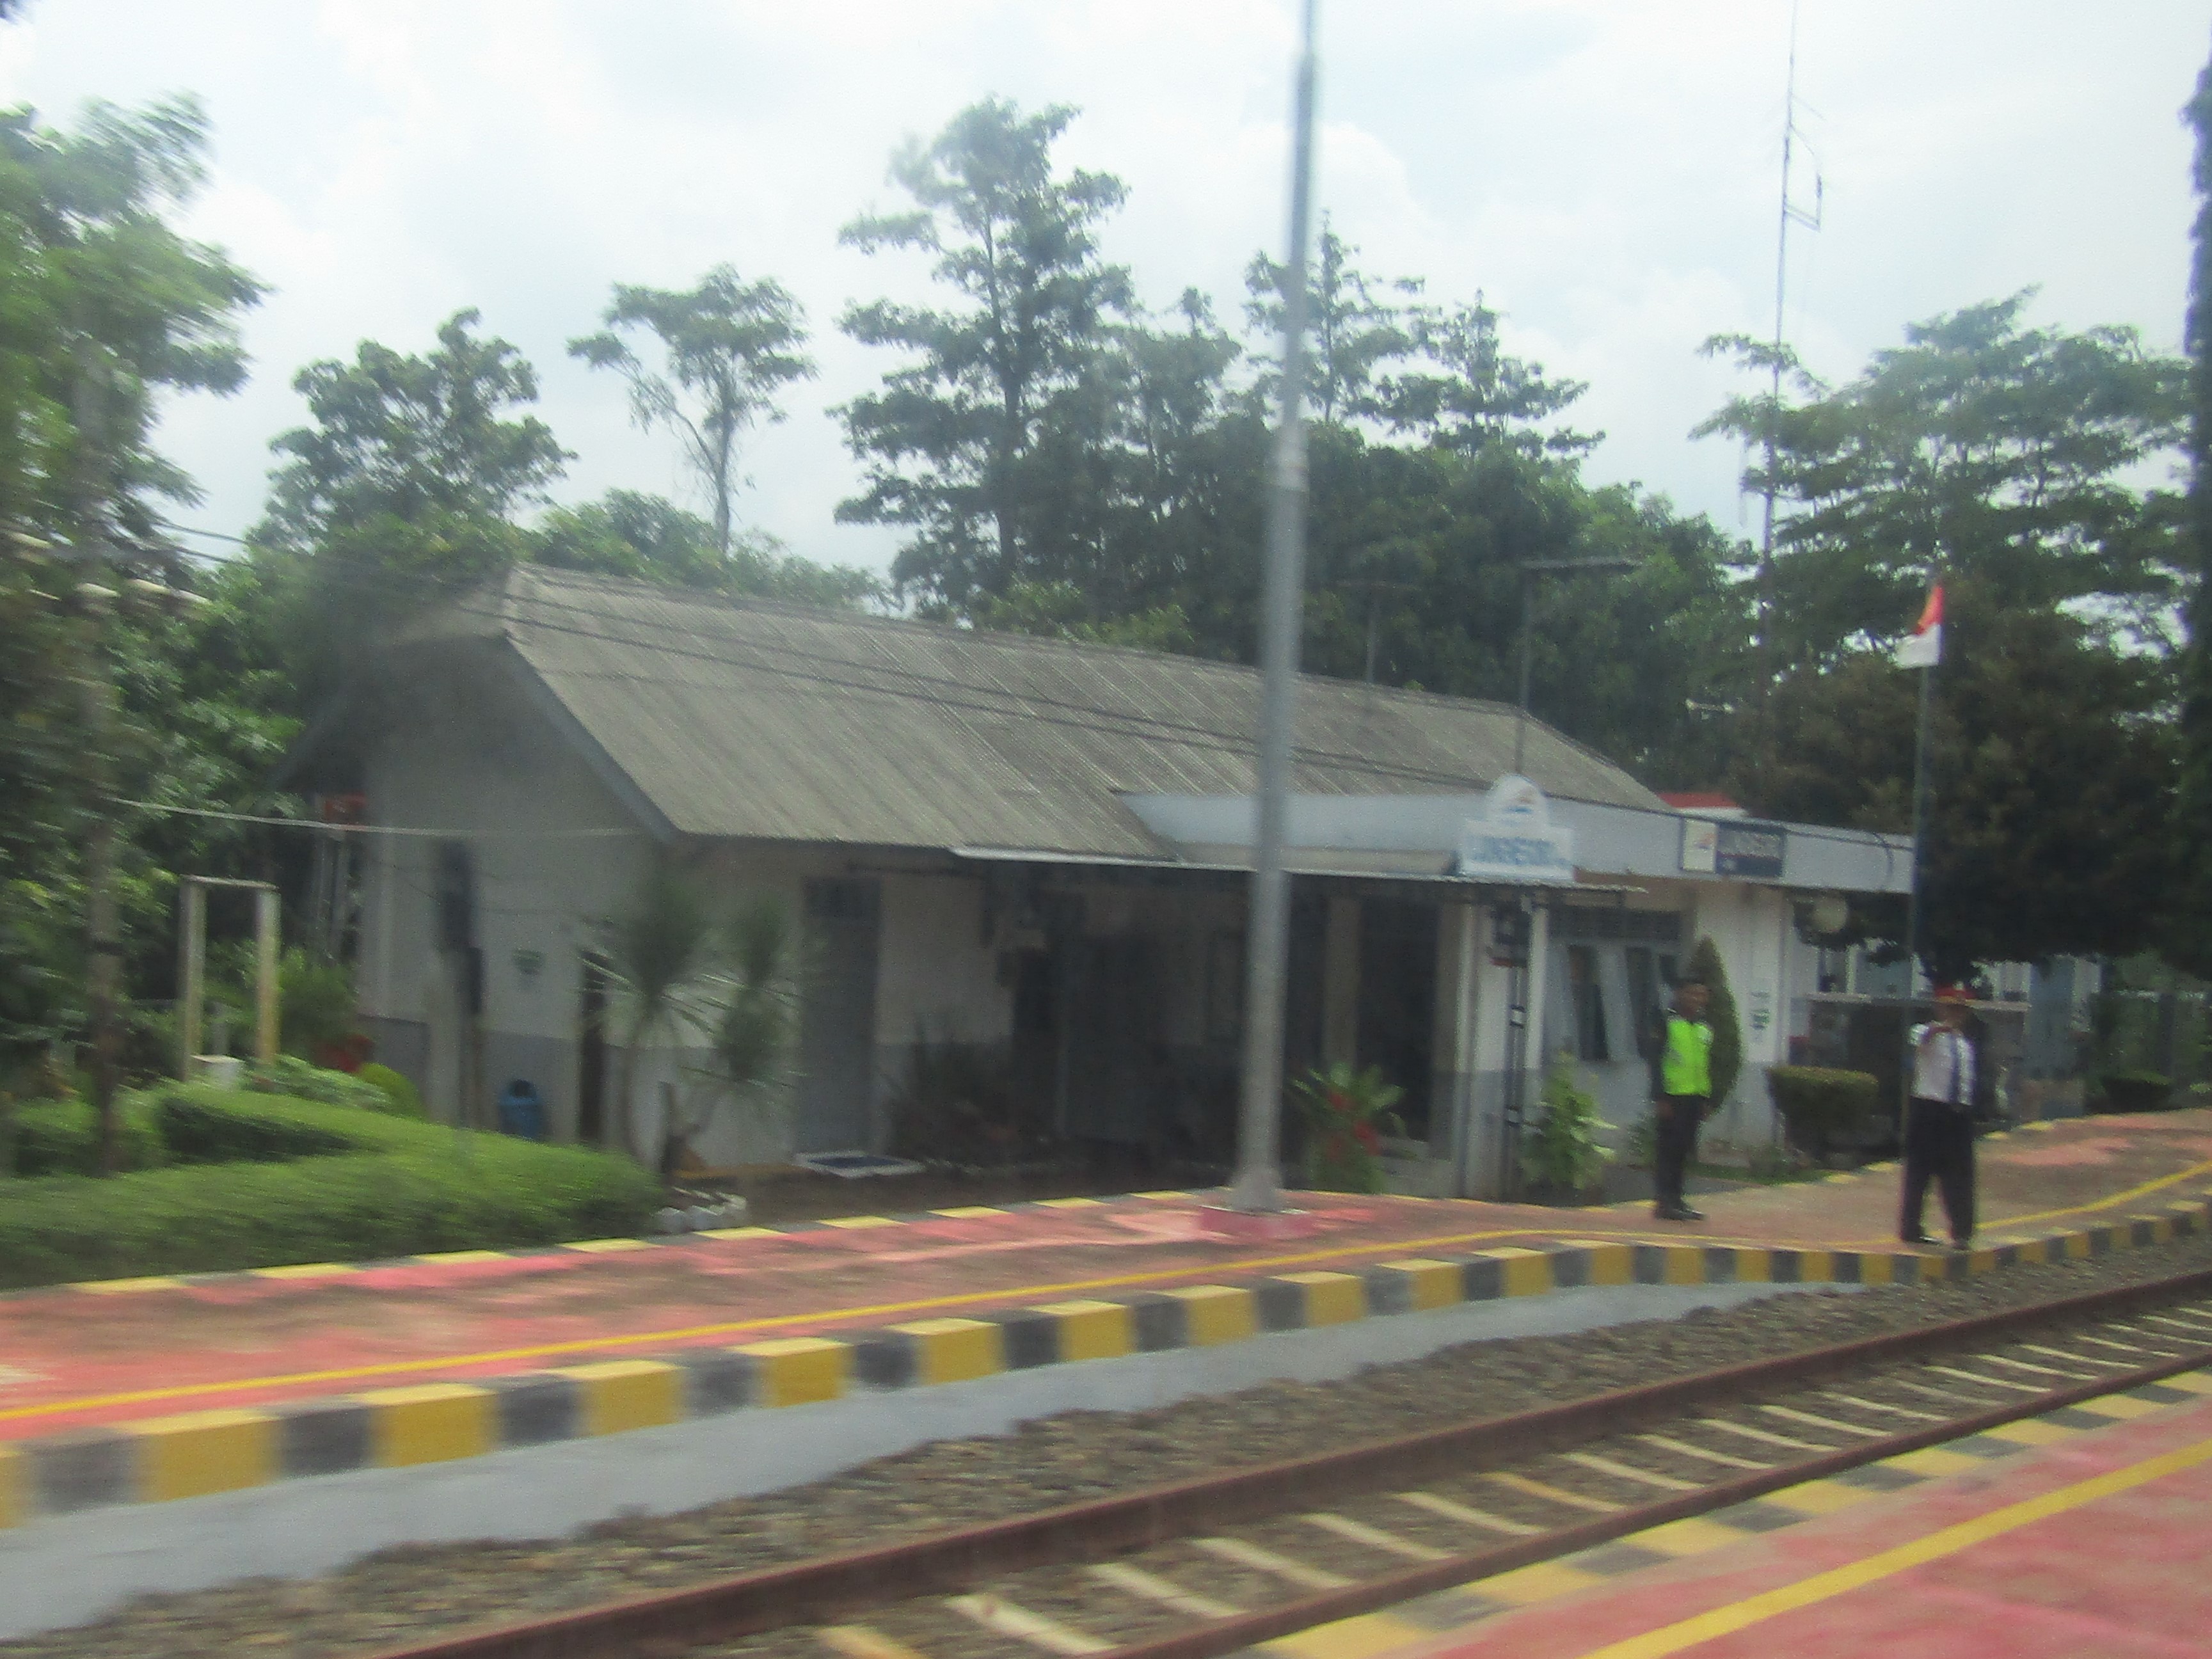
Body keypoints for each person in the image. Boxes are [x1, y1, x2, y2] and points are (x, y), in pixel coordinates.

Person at [1900, 985, 1978, 1249]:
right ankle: (1911, 1228)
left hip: (1956, 1115)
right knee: (1919, 1173)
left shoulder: (1965, 1045)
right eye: (1952, 1008)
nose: (1957, 1014)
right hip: (1929, 1111)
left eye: (1961, 1010)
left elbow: (1966, 1083)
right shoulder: (1925, 1033)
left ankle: (1962, 1232)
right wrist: (1941, 1027)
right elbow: (1921, 1039)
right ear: (1940, 1007)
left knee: (1960, 1174)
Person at [1650, 978, 1713, 1222]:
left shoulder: (1705, 1026)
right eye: (1691, 994)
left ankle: (1677, 1199)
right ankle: (1664, 1202)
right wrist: (1660, 1097)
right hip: (1672, 1098)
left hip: (1695, 1098)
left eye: (1701, 995)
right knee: (1668, 1150)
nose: (1696, 1000)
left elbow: (1706, 1064)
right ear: (1679, 995)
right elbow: (1655, 1062)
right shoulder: (1667, 1022)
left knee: (1684, 1151)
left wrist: (1707, 1098)